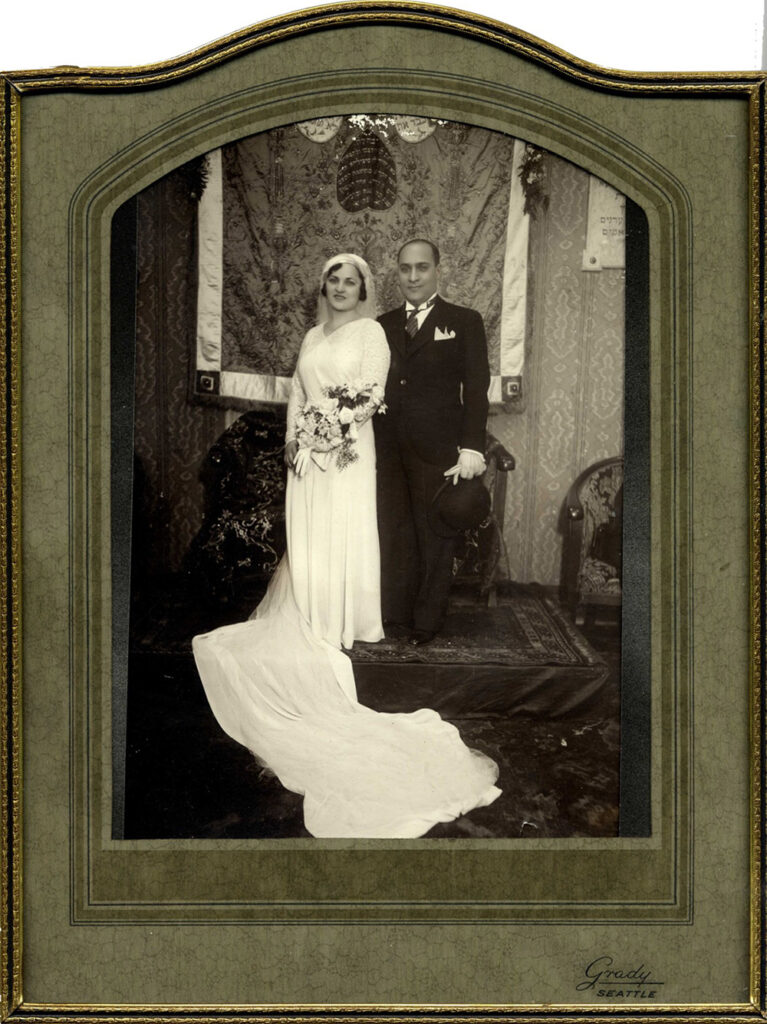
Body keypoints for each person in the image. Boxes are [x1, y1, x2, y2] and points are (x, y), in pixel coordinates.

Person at [192, 253, 500, 838]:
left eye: (349, 279)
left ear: (365, 286)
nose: (339, 286)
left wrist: (328, 437)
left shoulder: (385, 331)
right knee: (330, 539)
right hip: (310, 457)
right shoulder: (319, 333)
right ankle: (316, 616)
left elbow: (367, 395)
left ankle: (371, 620)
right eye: (332, 278)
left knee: (400, 534)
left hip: (351, 454)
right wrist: (294, 441)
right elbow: (298, 394)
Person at [375, 239, 490, 645]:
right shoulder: (382, 324)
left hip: (439, 448)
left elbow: (476, 389)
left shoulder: (464, 320)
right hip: (386, 447)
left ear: (438, 269)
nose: (412, 276)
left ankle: (426, 622)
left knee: (434, 536)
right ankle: (394, 616)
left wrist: (472, 447)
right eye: (405, 268)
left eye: (421, 268)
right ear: (397, 272)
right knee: (394, 530)